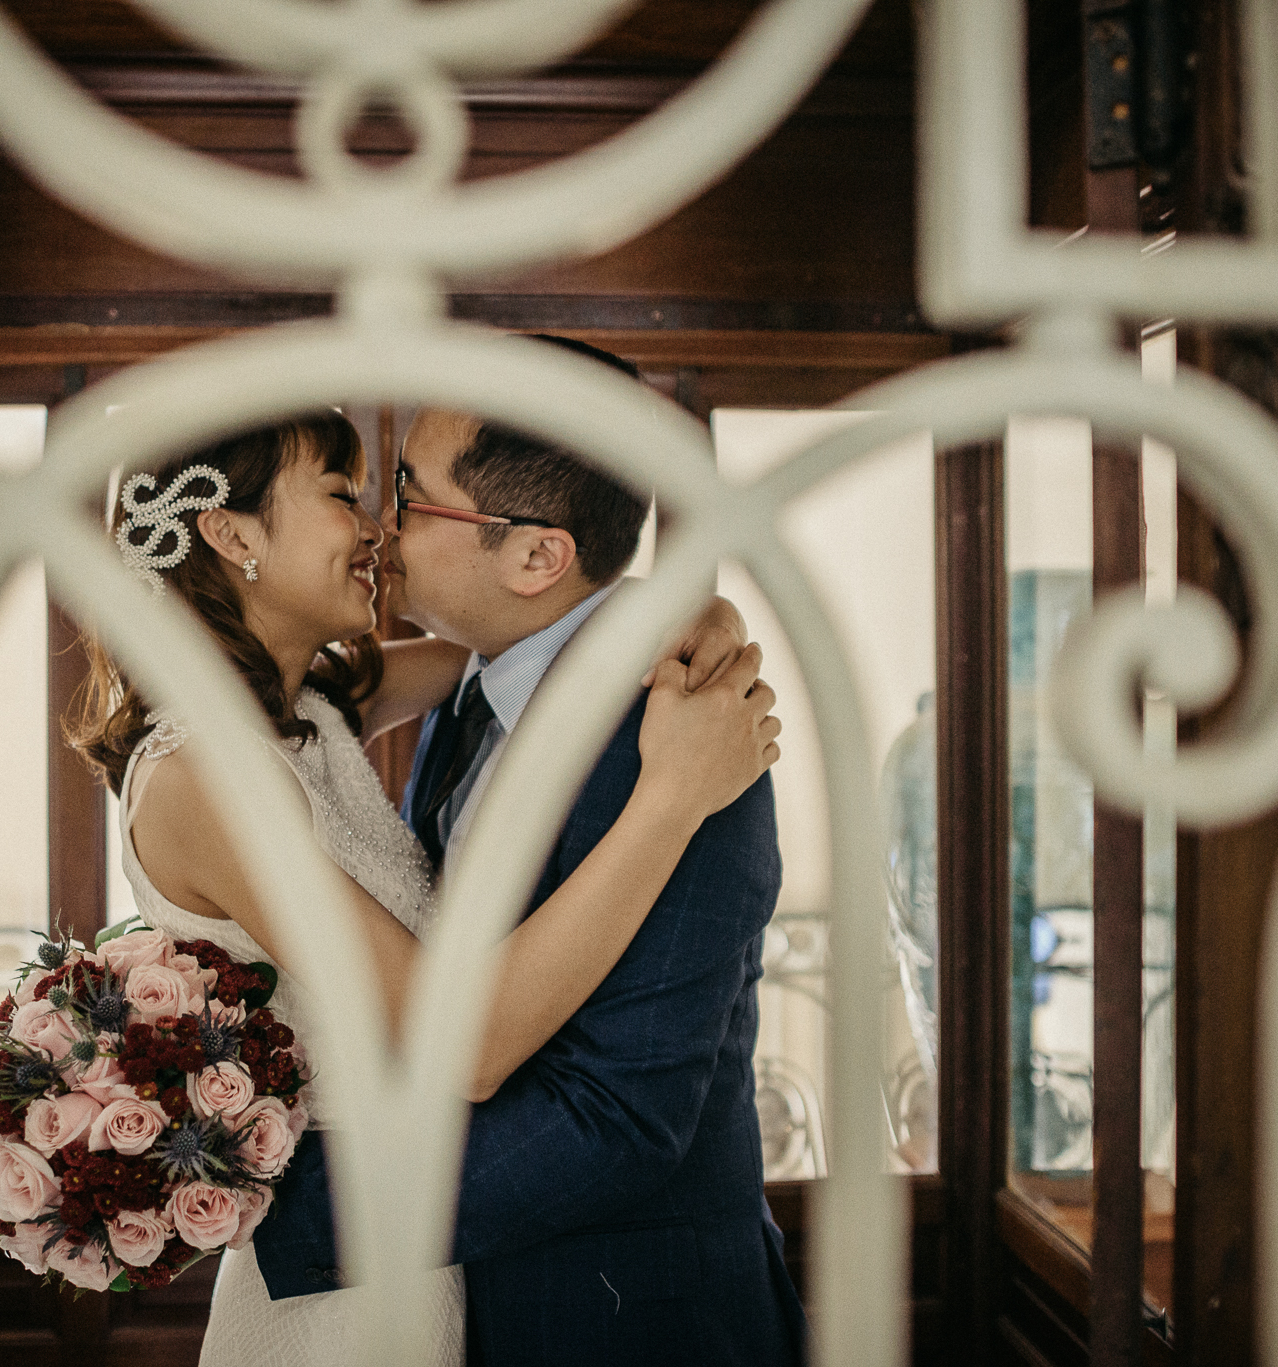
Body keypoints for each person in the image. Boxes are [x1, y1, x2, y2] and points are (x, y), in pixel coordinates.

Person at [68, 404, 779, 1366]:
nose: (376, 529)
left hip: (445, 1259)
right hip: (347, 1287)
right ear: (232, 534)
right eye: (344, 495)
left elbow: (542, 630)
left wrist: (702, 618)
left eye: (395, 497)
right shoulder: (206, 779)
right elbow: (467, 1044)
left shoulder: (310, 707)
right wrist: (672, 795)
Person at [249, 339, 811, 1365]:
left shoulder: (684, 738)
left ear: (536, 558)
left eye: (410, 494)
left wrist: (283, 1205)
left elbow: (621, 1116)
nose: (381, 525)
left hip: (627, 1321)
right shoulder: (472, 678)